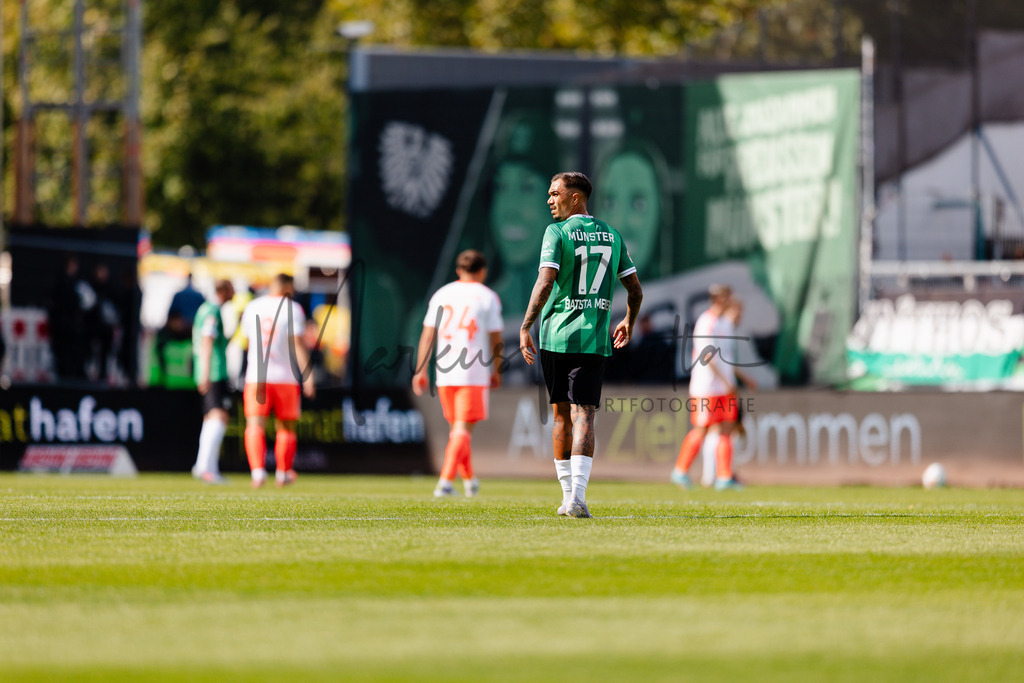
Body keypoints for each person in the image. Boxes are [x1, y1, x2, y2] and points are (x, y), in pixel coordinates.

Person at [520, 171, 643, 518]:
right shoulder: (613, 235)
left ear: (576, 197)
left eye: (555, 193)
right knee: (585, 414)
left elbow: (545, 282)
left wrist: (526, 324)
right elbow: (635, 291)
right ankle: (578, 497)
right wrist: (628, 322)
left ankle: (567, 496)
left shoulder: (556, 233)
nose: (549, 199)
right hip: (593, 339)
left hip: (556, 336)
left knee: (561, 416)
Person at [413, 249, 504, 498]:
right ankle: (444, 482)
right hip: (473, 371)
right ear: (482, 271)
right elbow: (496, 338)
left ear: (458, 270)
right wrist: (497, 369)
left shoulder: (441, 294)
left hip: (444, 372)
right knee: (462, 430)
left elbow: (427, 335)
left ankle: (470, 480)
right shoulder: (487, 297)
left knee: (458, 430)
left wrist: (420, 369)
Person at [671, 286, 756, 490]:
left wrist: (740, 378)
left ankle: (724, 477)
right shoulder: (706, 322)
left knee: (727, 429)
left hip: (724, 389)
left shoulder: (724, 324)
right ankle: (680, 471)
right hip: (706, 387)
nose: (730, 300)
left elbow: (725, 359)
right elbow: (707, 356)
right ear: (719, 299)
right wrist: (727, 382)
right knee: (702, 429)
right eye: (728, 297)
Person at [239, 273, 316, 489]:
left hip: (257, 376)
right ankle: (282, 473)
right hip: (285, 377)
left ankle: (257, 472)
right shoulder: (293, 309)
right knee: (286, 427)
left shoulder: (252, 306)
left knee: (254, 425)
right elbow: (298, 346)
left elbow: (245, 341)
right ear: (287, 288)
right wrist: (308, 375)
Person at [190, 279, 236, 484]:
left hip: (212, 370)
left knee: (212, 419)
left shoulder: (206, 309)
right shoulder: (212, 311)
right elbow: (207, 342)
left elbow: (216, 341)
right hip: (214, 372)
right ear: (224, 290)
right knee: (219, 417)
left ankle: (206, 467)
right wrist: (205, 373)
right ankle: (205, 468)